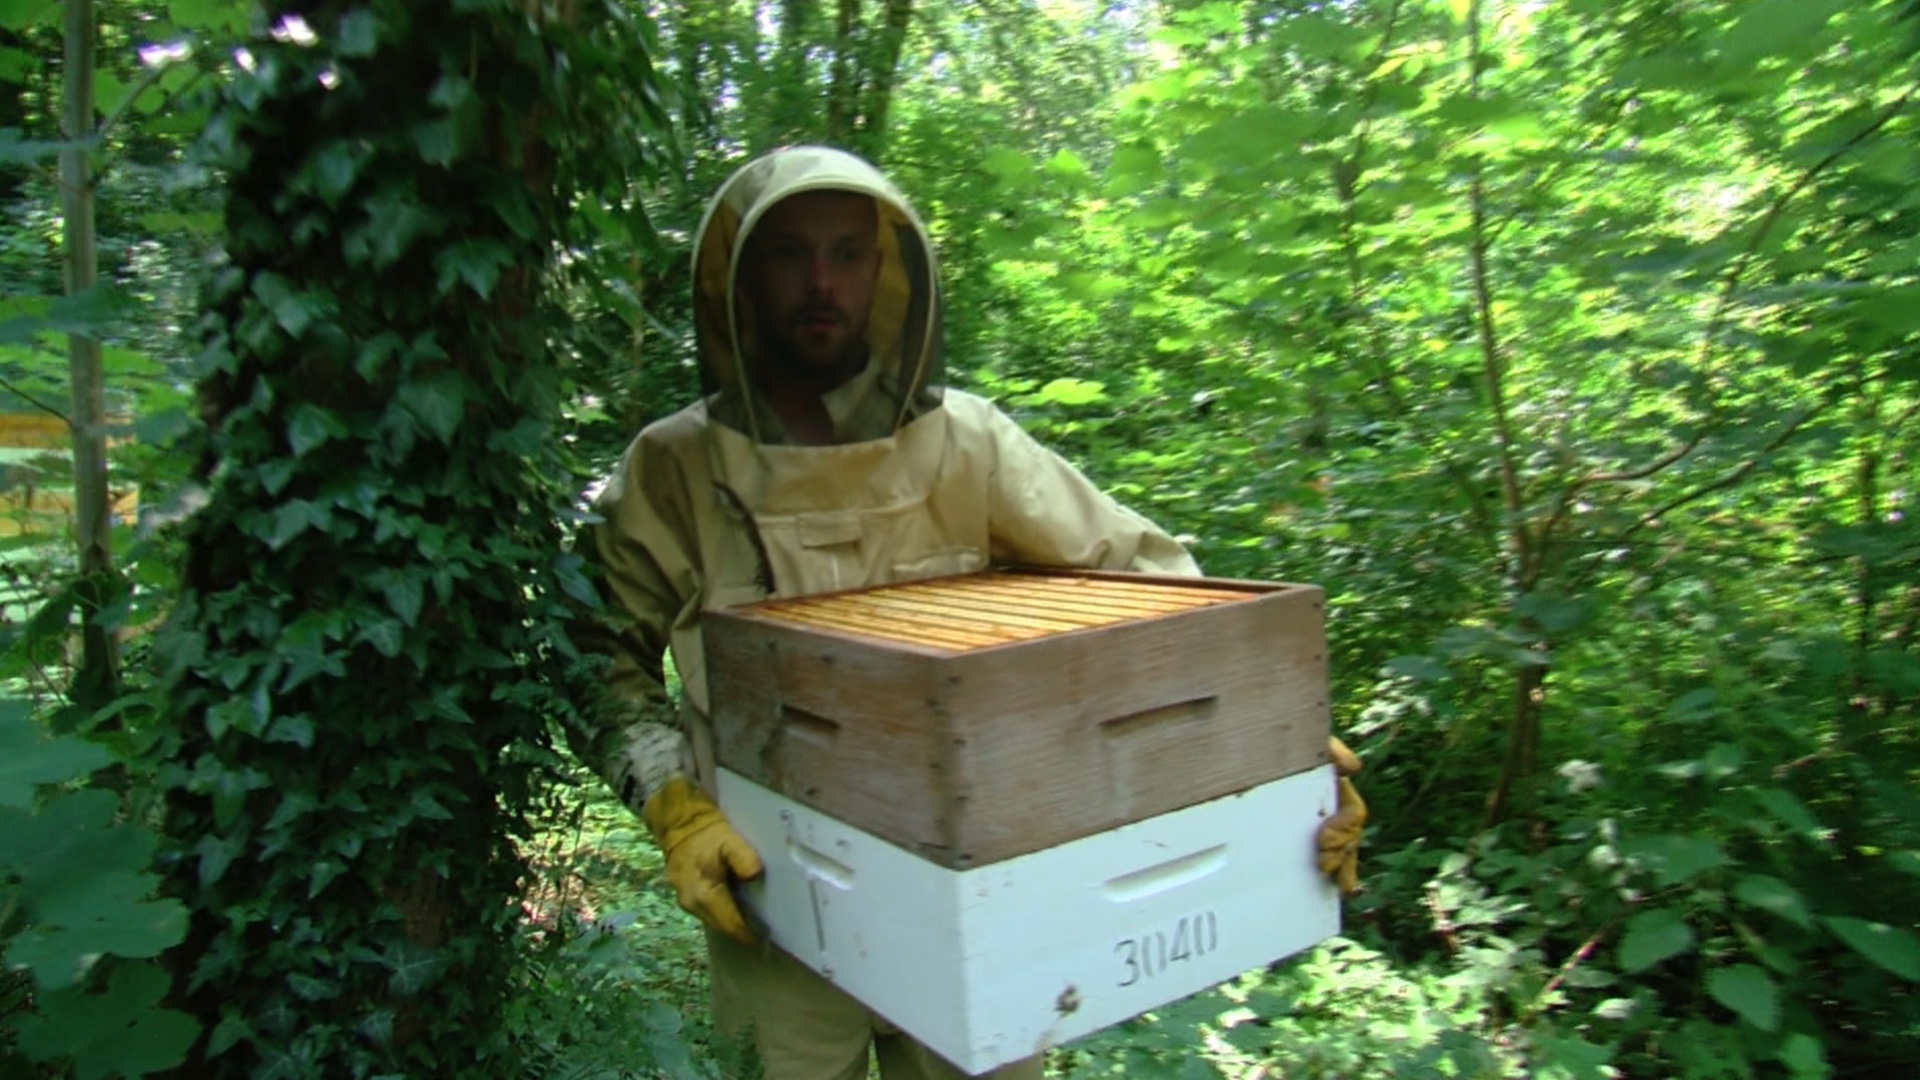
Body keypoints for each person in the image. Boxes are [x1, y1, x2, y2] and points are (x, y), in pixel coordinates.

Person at [574, 145, 1367, 1080]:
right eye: (788, 253)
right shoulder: (673, 469)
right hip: (772, 902)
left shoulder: (970, 444)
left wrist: (1284, 758)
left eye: (847, 252)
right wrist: (674, 808)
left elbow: (1156, 593)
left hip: (988, 901)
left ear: (887, 271)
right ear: (740, 280)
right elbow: (593, 653)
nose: (821, 282)